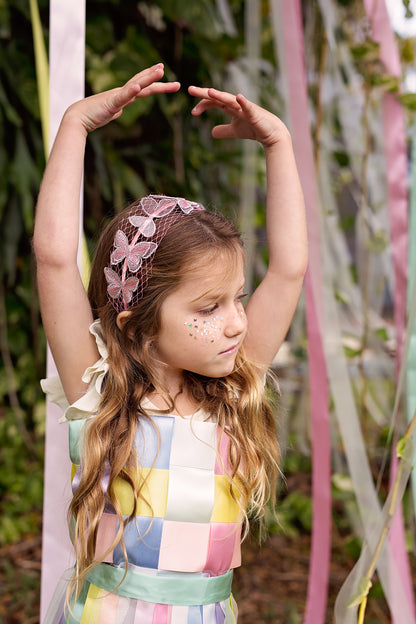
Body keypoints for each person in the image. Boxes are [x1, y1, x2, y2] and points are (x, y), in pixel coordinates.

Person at [34, 63, 307, 623]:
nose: (237, 323)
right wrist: (75, 126)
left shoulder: (230, 390)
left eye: (237, 297)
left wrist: (278, 143)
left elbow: (289, 270)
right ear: (139, 325)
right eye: (210, 307)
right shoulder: (99, 395)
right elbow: (55, 259)